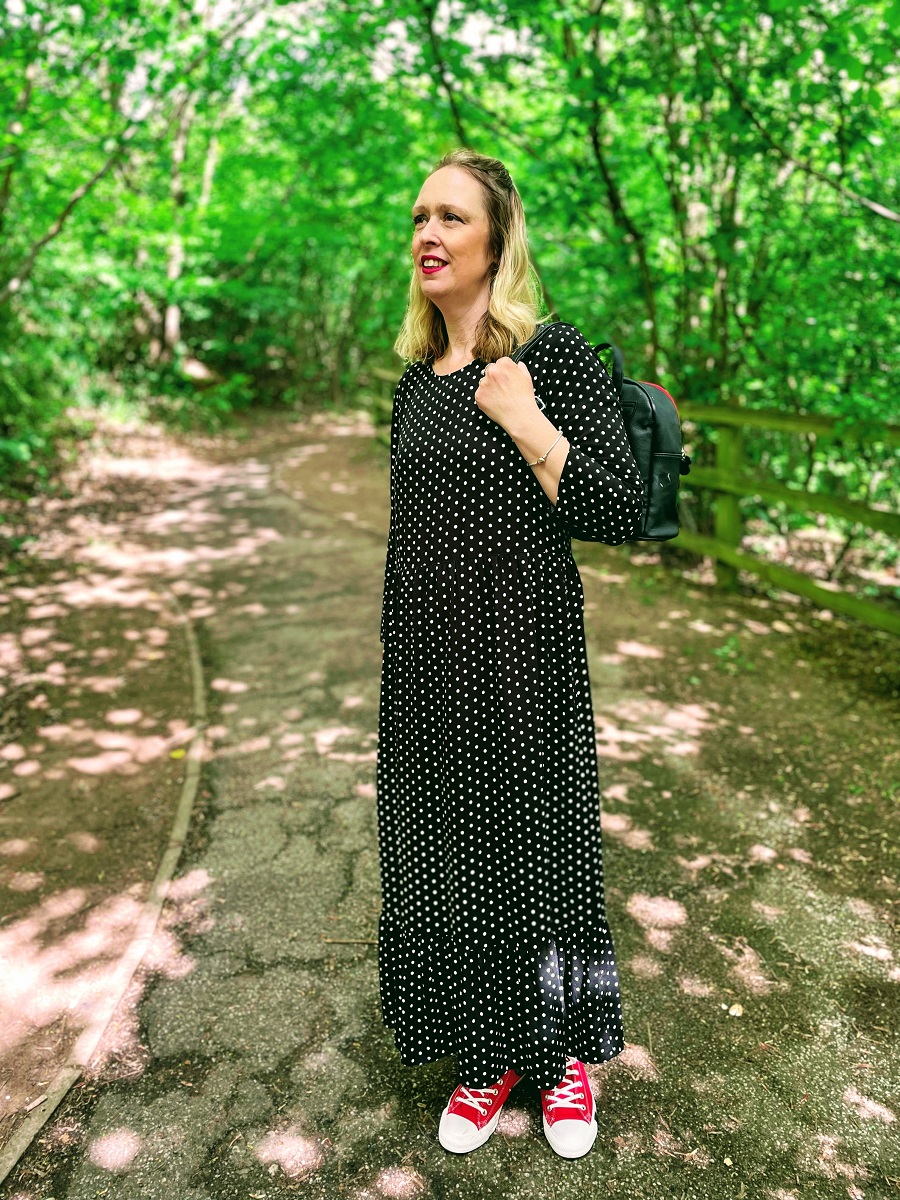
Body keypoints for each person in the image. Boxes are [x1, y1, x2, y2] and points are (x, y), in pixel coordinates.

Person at [375, 147, 644, 1160]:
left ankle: (562, 1052)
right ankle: (484, 1055)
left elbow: (618, 509)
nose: (429, 235)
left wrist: (527, 420)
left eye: (451, 217)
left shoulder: (551, 356)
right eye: (419, 218)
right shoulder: (412, 388)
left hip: (526, 653)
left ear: (496, 241)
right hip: (428, 665)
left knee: (539, 846)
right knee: (452, 854)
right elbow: (410, 541)